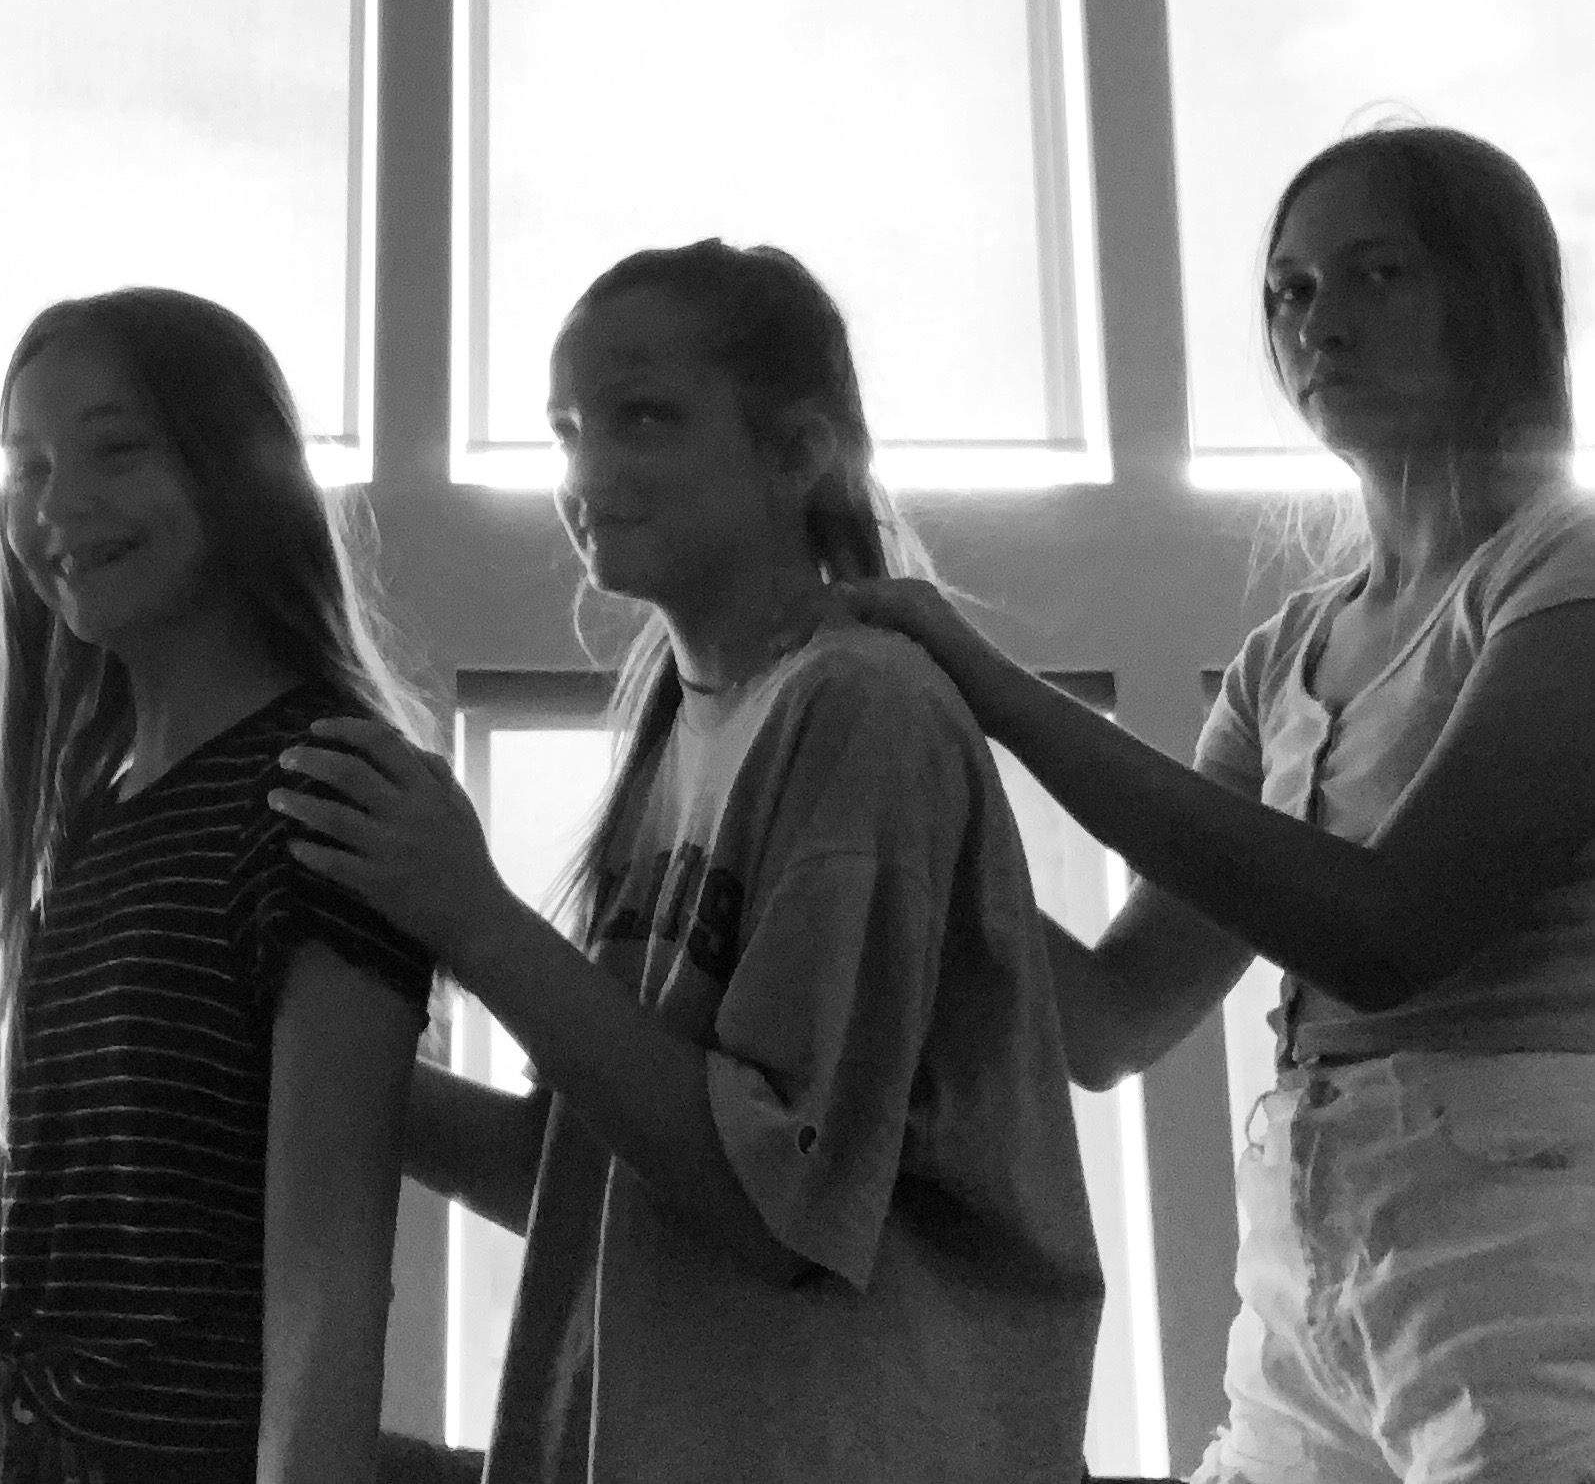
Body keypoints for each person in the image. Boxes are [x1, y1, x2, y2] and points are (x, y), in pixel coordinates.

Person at [271, 239, 1105, 1484]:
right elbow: (573, 1175)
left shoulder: (857, 710)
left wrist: (467, 914)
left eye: (643, 418)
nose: (587, 472)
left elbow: (779, 1204)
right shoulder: (677, 733)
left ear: (798, 451)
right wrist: (287, 1057)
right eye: (566, 430)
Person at [837, 123, 1595, 1483]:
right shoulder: (1282, 653)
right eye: (1290, 291)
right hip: (1306, 1256)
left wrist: (990, 686)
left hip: (1532, 1227)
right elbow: (1111, 1015)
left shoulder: (1565, 567)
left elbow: (1389, 928)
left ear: (1492, 295)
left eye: (1374, 273)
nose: (1319, 321)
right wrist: (902, 793)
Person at [0, 289, 437, 1484]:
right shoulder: (96, 809)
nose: (58, 505)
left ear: (232, 468)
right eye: (28, 464)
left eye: (115, 449)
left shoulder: (322, 787)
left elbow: (326, 1291)